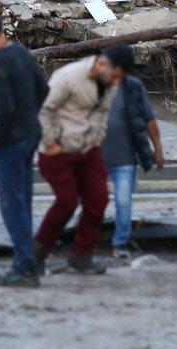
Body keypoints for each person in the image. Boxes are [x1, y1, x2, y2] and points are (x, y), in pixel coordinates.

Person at [0, 6, 47, 287]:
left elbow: (4, 109)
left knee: (11, 205)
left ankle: (25, 267)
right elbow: (44, 91)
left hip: (11, 141)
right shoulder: (20, 53)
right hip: (32, 134)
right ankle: (29, 263)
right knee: (24, 200)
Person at [34, 51, 122, 275]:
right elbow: (43, 110)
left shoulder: (110, 84)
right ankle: (36, 253)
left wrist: (98, 140)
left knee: (98, 200)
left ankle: (81, 255)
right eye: (114, 76)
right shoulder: (67, 77)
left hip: (88, 150)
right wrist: (49, 142)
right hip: (58, 151)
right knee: (67, 202)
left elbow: (103, 115)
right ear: (101, 64)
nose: (116, 82)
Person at [100, 43, 164, 260]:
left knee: (123, 201)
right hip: (96, 157)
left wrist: (158, 149)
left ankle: (119, 243)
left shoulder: (134, 87)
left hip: (125, 158)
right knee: (93, 200)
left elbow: (149, 119)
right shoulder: (96, 86)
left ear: (120, 67)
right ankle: (87, 241)